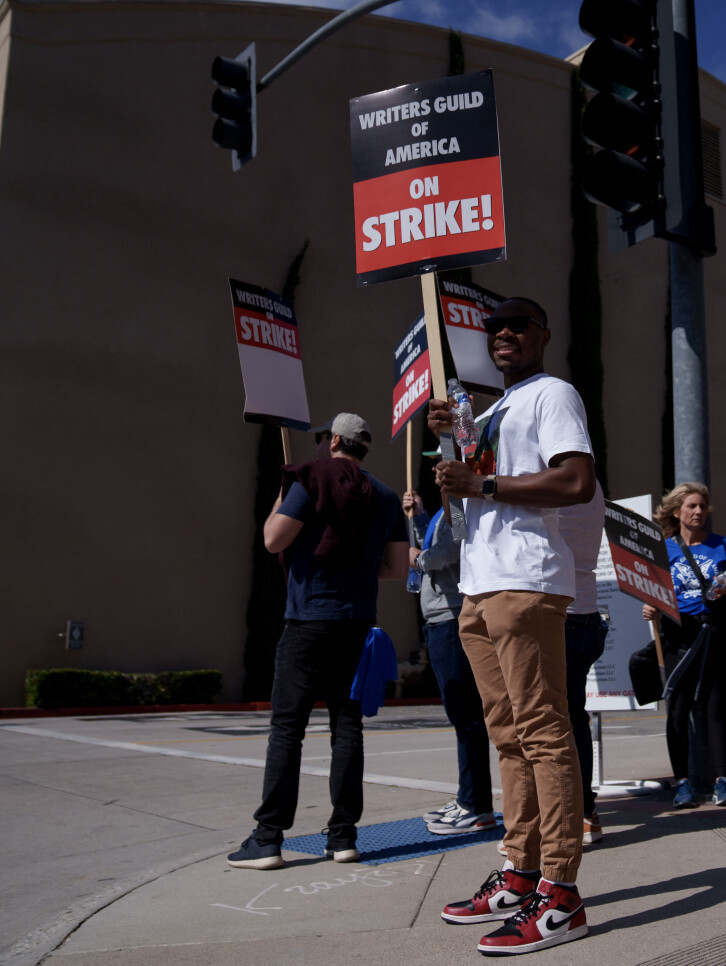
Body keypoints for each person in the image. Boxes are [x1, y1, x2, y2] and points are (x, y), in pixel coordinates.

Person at [428, 296, 596, 956]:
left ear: (542, 335)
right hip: (477, 584)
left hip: (525, 581)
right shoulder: (492, 409)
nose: (503, 334)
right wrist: (451, 443)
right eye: (493, 327)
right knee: (508, 738)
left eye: (516, 325)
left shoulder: (554, 393)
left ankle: (561, 893)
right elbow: (469, 491)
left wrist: (484, 486)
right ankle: (521, 873)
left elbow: (575, 481)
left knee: (543, 731)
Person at [227, 413, 409, 870]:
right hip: (357, 623)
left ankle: (268, 838)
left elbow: (273, 540)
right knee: (347, 728)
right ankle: (343, 836)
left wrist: (282, 498)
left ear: (333, 441)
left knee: (288, 728)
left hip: (308, 620)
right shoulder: (386, 495)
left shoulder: (308, 479)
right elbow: (395, 569)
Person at [640, 483, 726, 809]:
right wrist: (650, 608)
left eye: (702, 506)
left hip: (713, 633)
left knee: (716, 709)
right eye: (692, 506)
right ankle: (683, 785)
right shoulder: (664, 549)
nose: (699, 512)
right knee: (677, 710)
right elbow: (652, 590)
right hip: (678, 636)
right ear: (677, 512)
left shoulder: (720, 545)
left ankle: (722, 781)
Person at [401, 490, 496, 835]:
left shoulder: (456, 504)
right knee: (462, 715)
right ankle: (468, 798)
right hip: (442, 617)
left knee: (466, 714)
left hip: (452, 616)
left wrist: (417, 559)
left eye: (441, 464)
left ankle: (476, 805)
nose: (437, 472)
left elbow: (451, 549)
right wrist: (420, 517)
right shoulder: (446, 508)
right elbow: (435, 540)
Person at [559, 484, 609, 845]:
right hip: (583, 611)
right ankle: (582, 812)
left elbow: (463, 530)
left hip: (554, 610)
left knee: (539, 724)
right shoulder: (587, 481)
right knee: (573, 716)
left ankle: (557, 821)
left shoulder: (551, 476)